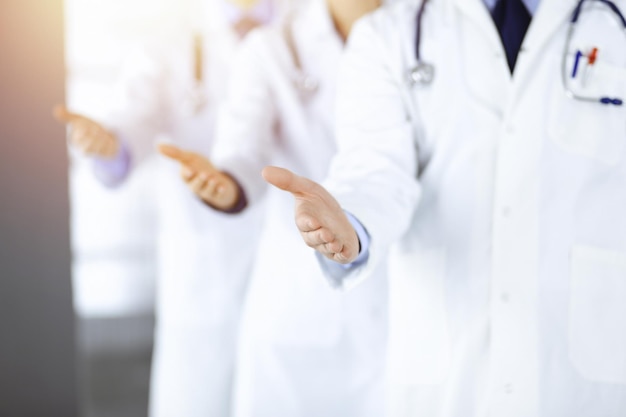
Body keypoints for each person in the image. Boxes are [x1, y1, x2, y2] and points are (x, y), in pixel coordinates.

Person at [263, 0, 626, 416]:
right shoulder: (388, 36)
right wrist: (351, 224)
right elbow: (376, 171)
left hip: (588, 372)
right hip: (448, 377)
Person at [158, 0, 388, 415]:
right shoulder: (272, 47)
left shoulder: (430, 35)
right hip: (299, 309)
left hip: (405, 296)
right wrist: (225, 184)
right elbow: (243, 152)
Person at [54, 1, 276, 416]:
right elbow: (131, 122)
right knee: (199, 397)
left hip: (294, 262)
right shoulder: (170, 39)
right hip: (206, 264)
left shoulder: (313, 26)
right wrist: (109, 144)